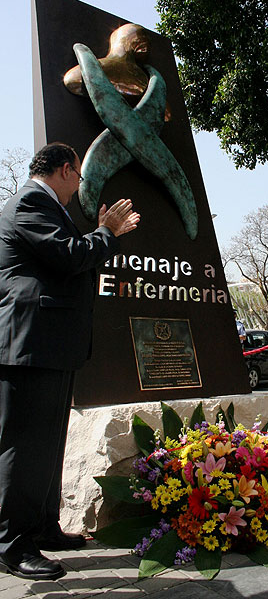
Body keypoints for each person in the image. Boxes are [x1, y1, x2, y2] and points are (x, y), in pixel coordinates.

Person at [0, 143, 140, 581]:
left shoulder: (48, 207)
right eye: (78, 174)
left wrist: (98, 234)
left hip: (50, 346)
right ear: (64, 169)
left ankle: (41, 527)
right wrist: (108, 232)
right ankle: (12, 543)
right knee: (22, 449)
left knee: (45, 446)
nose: (80, 182)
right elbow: (71, 256)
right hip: (29, 347)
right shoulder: (29, 203)